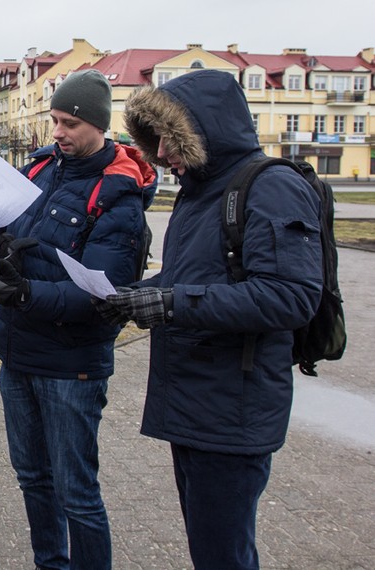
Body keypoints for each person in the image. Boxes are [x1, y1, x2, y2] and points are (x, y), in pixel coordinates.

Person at [98, 69, 323, 569]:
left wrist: (174, 303)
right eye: (152, 140)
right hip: (197, 400)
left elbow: (290, 296)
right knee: (212, 547)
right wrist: (131, 295)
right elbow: (190, 277)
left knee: (223, 554)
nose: (159, 154)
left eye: (166, 139)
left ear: (202, 132)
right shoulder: (200, 193)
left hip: (233, 407)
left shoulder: (271, 187)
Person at [0, 69, 157, 570]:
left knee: (76, 492)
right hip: (17, 354)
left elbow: (104, 292)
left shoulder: (118, 196)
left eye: (68, 123)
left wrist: (26, 292)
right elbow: (0, 231)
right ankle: (50, 563)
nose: (56, 132)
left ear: (97, 125)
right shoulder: (39, 171)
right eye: (54, 120)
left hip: (72, 366)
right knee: (32, 479)